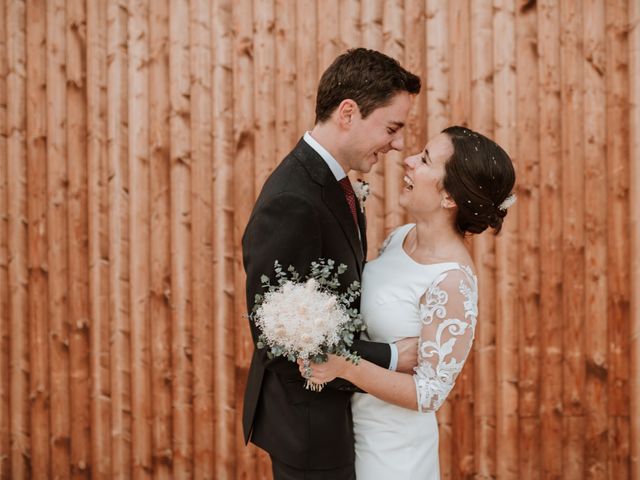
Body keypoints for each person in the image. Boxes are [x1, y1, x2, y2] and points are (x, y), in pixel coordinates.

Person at [241, 48, 422, 479]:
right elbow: (279, 341)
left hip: (338, 410)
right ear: (348, 113)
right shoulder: (292, 200)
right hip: (309, 424)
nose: (398, 144)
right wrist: (393, 357)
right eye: (392, 128)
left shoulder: (338, 183)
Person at [301, 126, 517, 479]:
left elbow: (429, 393)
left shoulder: (451, 281)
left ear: (449, 197)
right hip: (348, 429)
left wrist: (346, 366)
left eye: (426, 160)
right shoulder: (400, 237)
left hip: (393, 454)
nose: (410, 161)